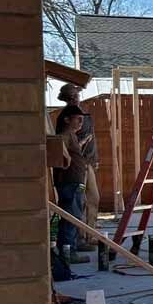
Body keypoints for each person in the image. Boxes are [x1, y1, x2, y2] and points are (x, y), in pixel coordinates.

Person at [58, 82, 99, 249]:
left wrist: (94, 159)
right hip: (76, 168)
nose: (75, 99)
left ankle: (90, 235)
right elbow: (60, 140)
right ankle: (79, 239)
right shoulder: (66, 117)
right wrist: (68, 156)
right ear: (67, 99)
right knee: (78, 202)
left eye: (76, 96)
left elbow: (90, 140)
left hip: (86, 164)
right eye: (72, 97)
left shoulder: (81, 115)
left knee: (93, 198)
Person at [54, 104, 91, 263]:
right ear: (67, 119)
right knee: (71, 218)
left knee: (73, 216)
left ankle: (68, 250)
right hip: (70, 183)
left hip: (74, 182)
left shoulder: (73, 135)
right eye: (78, 119)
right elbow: (57, 142)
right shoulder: (66, 134)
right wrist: (67, 158)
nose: (81, 123)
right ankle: (69, 253)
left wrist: (81, 144)